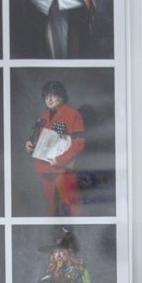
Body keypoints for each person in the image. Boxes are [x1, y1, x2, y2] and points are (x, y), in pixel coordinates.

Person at [25, 80, 86, 217]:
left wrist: (60, 160)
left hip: (62, 168)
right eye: (46, 96)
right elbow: (42, 138)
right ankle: (53, 234)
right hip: (44, 168)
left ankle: (73, 235)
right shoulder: (44, 115)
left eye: (53, 95)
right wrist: (30, 143)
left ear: (61, 96)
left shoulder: (74, 115)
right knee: (50, 208)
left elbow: (79, 143)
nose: (49, 99)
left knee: (72, 206)